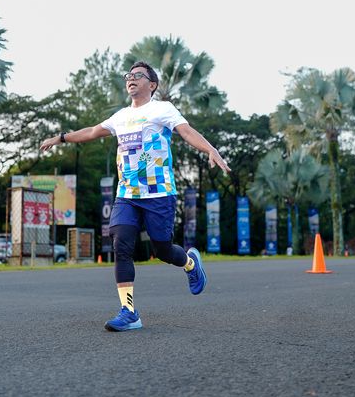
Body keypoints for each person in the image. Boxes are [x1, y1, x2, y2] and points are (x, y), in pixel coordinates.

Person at [40, 61, 230, 332]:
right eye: (129, 75)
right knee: (121, 243)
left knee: (162, 250)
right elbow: (92, 132)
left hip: (159, 193)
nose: (131, 78)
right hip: (127, 195)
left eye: (138, 75)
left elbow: (186, 131)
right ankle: (129, 312)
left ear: (152, 85)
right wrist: (60, 137)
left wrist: (210, 149)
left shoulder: (162, 109)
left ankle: (190, 263)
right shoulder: (120, 116)